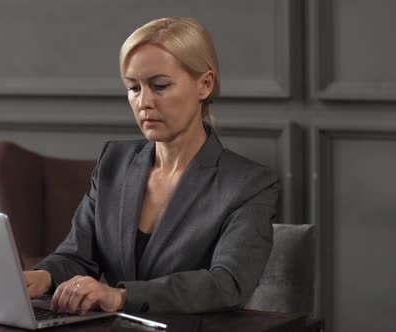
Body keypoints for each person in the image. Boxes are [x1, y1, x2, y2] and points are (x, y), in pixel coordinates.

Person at [23, 17, 279, 315]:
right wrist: (43, 277)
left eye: (160, 86)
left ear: (205, 85)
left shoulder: (250, 184)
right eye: (134, 88)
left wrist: (121, 296)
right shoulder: (113, 162)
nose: (144, 102)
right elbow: (78, 256)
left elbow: (227, 283)